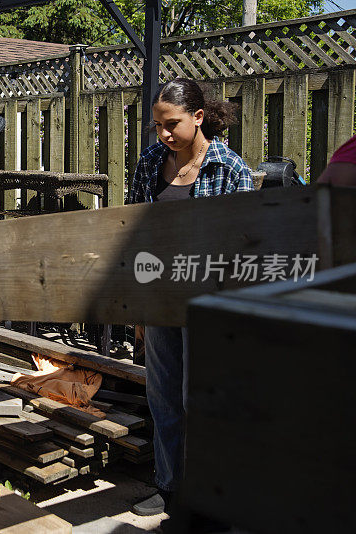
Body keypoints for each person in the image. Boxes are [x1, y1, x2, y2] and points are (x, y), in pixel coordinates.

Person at [129, 78, 254, 517]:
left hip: (209, 308)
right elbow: (133, 231)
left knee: (200, 400)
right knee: (163, 398)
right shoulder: (151, 162)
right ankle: (169, 488)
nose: (164, 134)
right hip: (159, 300)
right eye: (157, 126)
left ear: (198, 117)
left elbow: (244, 247)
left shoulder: (229, 168)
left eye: (172, 124)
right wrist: (138, 305)